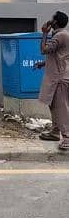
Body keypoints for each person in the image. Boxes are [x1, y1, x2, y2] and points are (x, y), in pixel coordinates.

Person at [37, 11, 69, 150]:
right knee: (53, 106)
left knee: (60, 107)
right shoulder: (64, 35)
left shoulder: (60, 36)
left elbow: (44, 50)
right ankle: (55, 132)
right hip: (59, 76)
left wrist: (44, 32)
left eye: (52, 19)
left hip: (59, 78)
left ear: (55, 22)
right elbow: (60, 56)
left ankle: (67, 137)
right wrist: (43, 64)